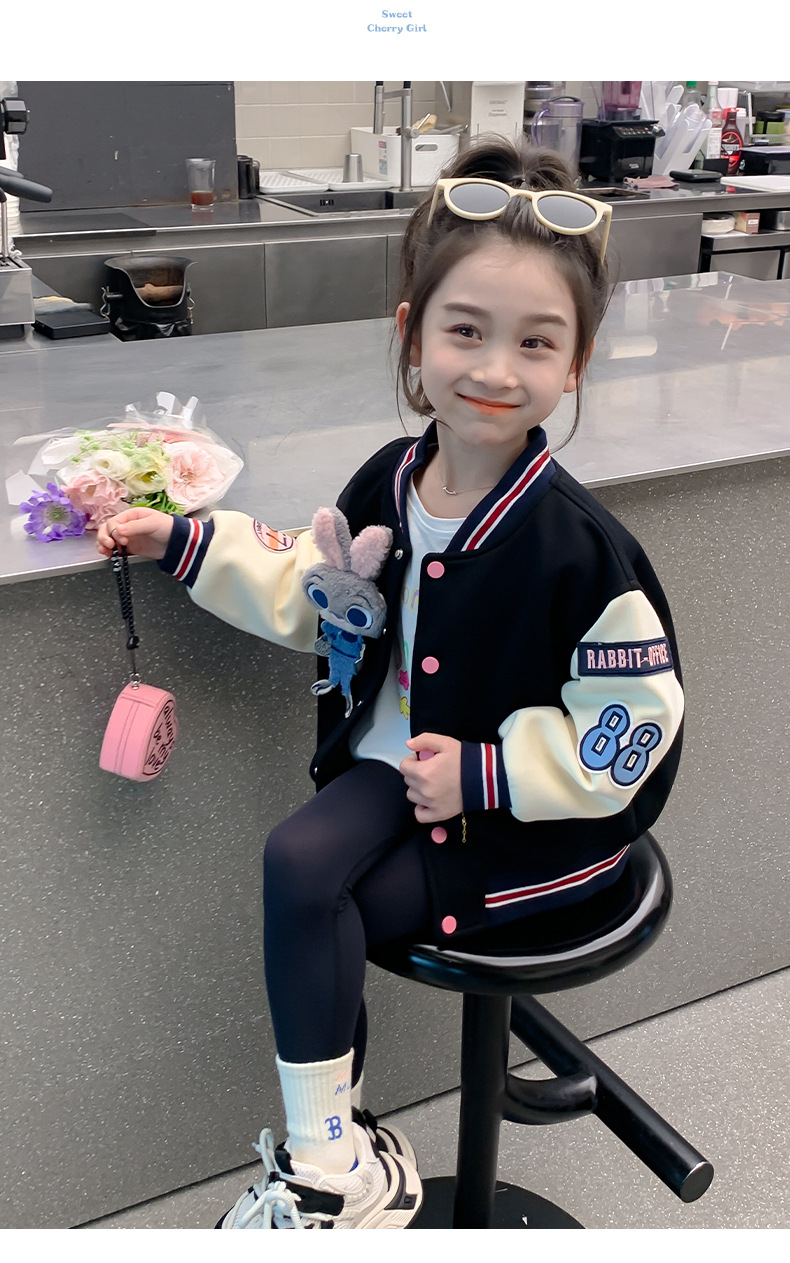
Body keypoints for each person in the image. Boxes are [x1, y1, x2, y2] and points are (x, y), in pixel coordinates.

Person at [96, 137, 684, 1230]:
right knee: (297, 863)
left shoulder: (579, 551)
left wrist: (488, 773)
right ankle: (335, 1162)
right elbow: (315, 588)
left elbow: (634, 733)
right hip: (404, 772)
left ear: (576, 362)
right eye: (465, 330)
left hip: (533, 829)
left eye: (535, 340)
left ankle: (333, 1166)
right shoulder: (390, 481)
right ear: (412, 335)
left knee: (329, 902)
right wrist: (181, 541)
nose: (495, 368)